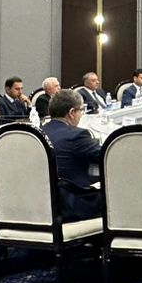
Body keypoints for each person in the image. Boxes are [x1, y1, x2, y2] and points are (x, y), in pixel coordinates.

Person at [41, 90, 102, 221]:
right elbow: (106, 156)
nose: (81, 114)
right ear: (72, 113)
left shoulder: (40, 133)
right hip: (72, 205)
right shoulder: (77, 135)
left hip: (43, 205)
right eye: (81, 110)